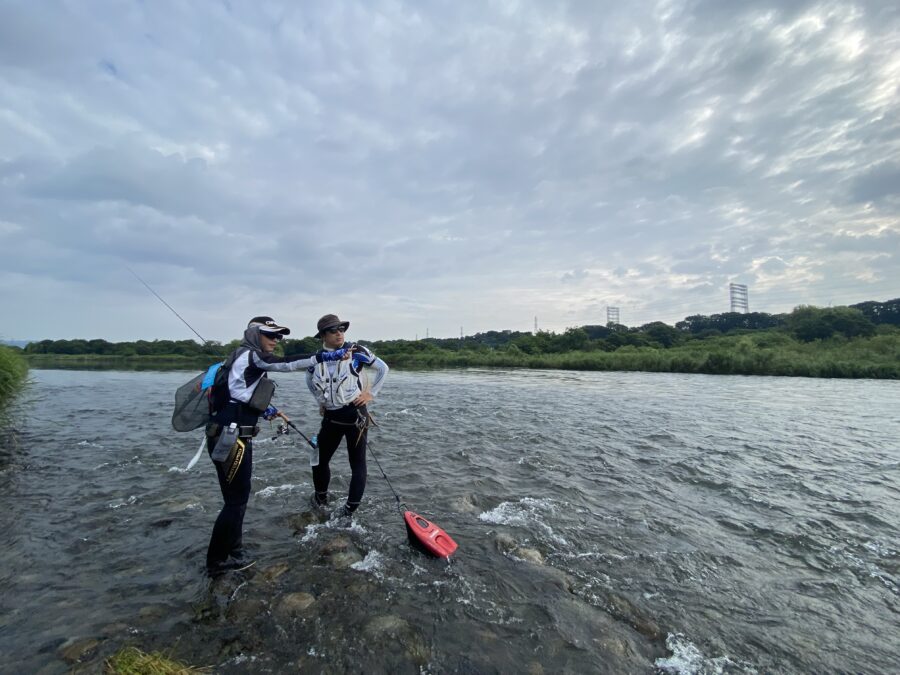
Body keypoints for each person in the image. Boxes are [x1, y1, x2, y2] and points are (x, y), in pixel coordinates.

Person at [205, 316, 350, 576]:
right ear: (253, 334)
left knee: (238, 498)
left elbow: (237, 394)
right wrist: (325, 357)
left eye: (279, 336)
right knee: (235, 502)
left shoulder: (241, 357)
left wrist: (266, 409)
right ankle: (216, 563)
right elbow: (285, 364)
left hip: (233, 435)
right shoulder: (251, 355)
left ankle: (235, 551)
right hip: (230, 438)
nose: (275, 340)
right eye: (270, 335)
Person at [306, 313, 389, 518]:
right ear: (323, 335)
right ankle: (321, 500)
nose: (339, 333)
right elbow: (309, 380)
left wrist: (370, 394)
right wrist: (321, 402)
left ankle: (349, 511)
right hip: (331, 417)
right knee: (319, 460)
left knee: (357, 463)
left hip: (355, 415)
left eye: (342, 329)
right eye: (334, 330)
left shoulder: (356, 351)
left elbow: (382, 368)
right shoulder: (317, 359)